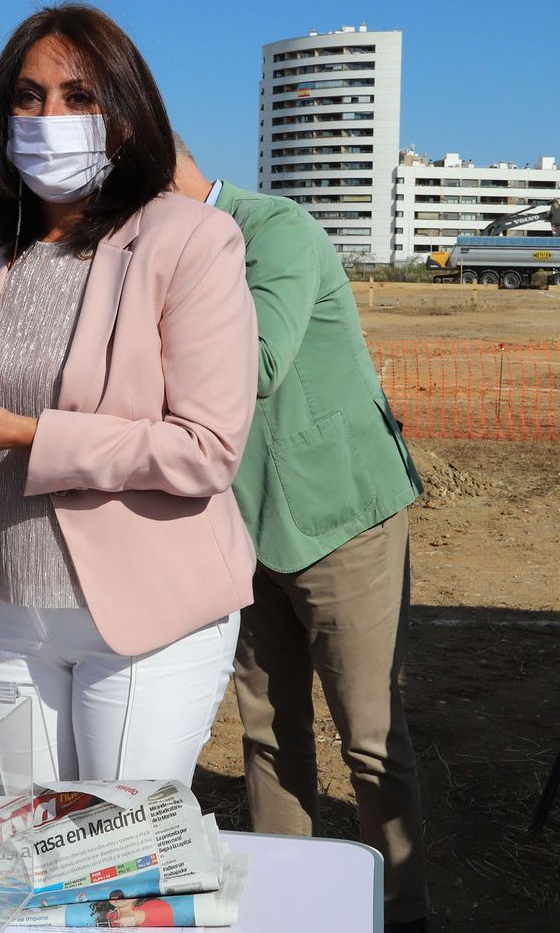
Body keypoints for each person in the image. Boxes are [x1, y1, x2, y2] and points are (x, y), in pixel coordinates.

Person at [0, 3, 258, 785]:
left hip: (145, 615)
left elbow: (206, 450)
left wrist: (28, 436)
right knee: (24, 844)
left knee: (113, 858)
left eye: (78, 96)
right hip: (6, 606)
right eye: (28, 97)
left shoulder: (190, 239)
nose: (48, 116)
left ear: (125, 114)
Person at [172, 141, 430, 933]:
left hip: (338, 517)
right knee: (266, 729)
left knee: (369, 734)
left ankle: (401, 910)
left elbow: (257, 361)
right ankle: (288, 907)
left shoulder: (273, 228)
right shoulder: (164, 252)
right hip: (241, 527)